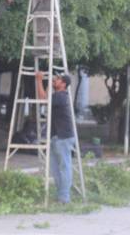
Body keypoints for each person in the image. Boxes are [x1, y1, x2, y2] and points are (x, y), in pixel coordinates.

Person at [35, 71, 75, 204]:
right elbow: (46, 97)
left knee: (64, 167)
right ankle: (61, 195)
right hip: (56, 137)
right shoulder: (57, 95)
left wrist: (39, 80)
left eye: (57, 79)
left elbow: (42, 100)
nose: (54, 80)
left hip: (63, 137)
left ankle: (64, 197)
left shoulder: (61, 96)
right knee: (55, 168)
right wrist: (48, 84)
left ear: (63, 84)